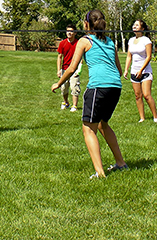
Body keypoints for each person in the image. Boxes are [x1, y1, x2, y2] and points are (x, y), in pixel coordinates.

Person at [51, 10, 128, 179]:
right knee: (102, 125)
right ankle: (121, 164)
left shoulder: (84, 41)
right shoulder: (110, 41)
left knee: (88, 129)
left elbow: (71, 68)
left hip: (98, 88)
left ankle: (100, 173)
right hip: (115, 87)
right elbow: (119, 70)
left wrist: (58, 83)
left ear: (86, 24)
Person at [124, 19, 157, 123]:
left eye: (137, 25)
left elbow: (149, 57)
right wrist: (126, 69)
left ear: (142, 29)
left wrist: (141, 70)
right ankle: (142, 118)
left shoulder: (146, 40)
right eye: (134, 25)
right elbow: (129, 56)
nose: (134, 26)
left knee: (147, 95)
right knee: (137, 96)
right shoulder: (130, 40)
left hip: (145, 72)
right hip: (134, 71)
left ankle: (155, 117)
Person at [56, 24, 81, 112]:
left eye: (71, 31)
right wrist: (59, 70)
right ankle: (66, 102)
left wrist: (79, 69)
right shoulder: (62, 43)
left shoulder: (78, 43)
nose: (69, 33)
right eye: (68, 31)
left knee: (75, 87)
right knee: (63, 88)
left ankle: (74, 106)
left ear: (75, 33)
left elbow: (81, 58)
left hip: (74, 69)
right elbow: (59, 57)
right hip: (65, 69)